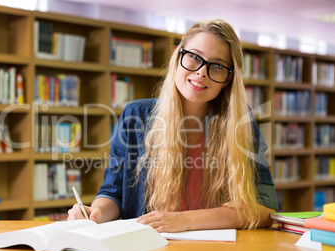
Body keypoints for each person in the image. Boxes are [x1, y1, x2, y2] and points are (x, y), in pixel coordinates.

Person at [68, 19, 277, 232]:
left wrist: (185, 221)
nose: (201, 73)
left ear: (228, 79)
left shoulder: (239, 123)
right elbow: (113, 194)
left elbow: (265, 208)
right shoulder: (136, 117)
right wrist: (97, 214)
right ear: (178, 56)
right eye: (195, 57)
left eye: (217, 66)